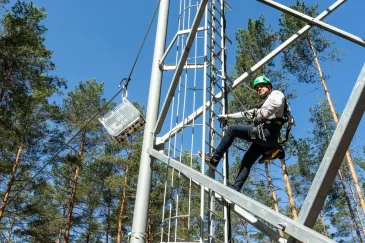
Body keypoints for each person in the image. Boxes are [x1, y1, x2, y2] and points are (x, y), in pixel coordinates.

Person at [202, 75, 293, 192]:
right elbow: (246, 114)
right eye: (257, 88)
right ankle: (235, 188)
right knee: (247, 161)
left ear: (269, 87)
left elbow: (277, 103)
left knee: (232, 130)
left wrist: (261, 116)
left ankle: (214, 158)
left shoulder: (275, 94)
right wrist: (228, 116)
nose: (259, 89)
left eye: (261, 87)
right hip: (267, 140)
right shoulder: (264, 106)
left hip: (266, 133)